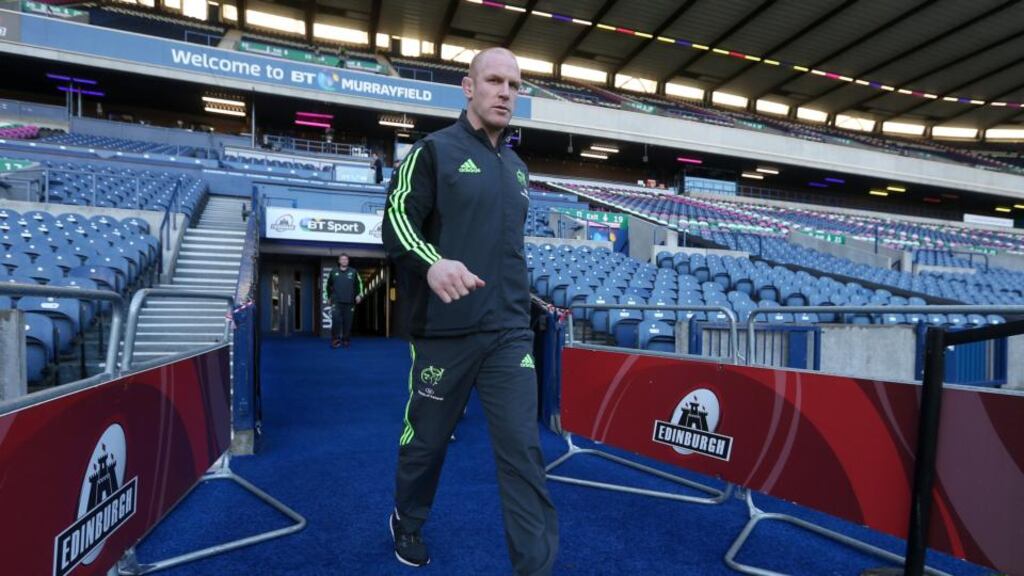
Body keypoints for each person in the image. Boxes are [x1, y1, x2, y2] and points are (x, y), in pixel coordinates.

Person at [382, 47, 558, 574]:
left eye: (515, 84)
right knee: (427, 444)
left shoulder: (520, 170)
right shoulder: (432, 152)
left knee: (523, 453)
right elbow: (395, 222)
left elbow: (507, 251)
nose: (506, 92)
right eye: (495, 81)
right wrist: (431, 263)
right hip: (445, 331)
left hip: (508, 333)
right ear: (469, 86)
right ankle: (407, 520)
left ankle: (536, 568)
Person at [325, 253, 363, 348]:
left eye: (346, 259)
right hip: (336, 301)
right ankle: (335, 340)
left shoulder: (353, 272)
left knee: (348, 322)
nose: (344, 261)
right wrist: (328, 297)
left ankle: (346, 339)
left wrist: (359, 295)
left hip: (349, 301)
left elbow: (359, 284)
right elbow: (327, 285)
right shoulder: (333, 272)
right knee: (336, 320)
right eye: (342, 259)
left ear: (348, 261)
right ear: (339, 261)